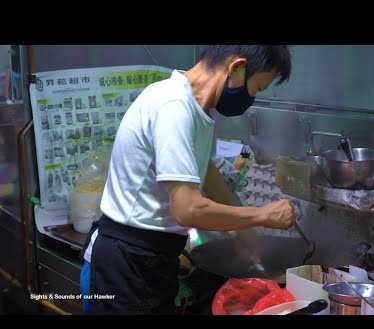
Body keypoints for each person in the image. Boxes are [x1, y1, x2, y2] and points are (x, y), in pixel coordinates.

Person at [80, 45, 295, 314]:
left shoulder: (194, 107)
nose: (251, 98)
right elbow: (187, 209)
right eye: (258, 88)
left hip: (148, 260)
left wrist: (244, 229)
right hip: (128, 262)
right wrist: (261, 215)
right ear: (237, 68)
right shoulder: (174, 107)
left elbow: (204, 170)